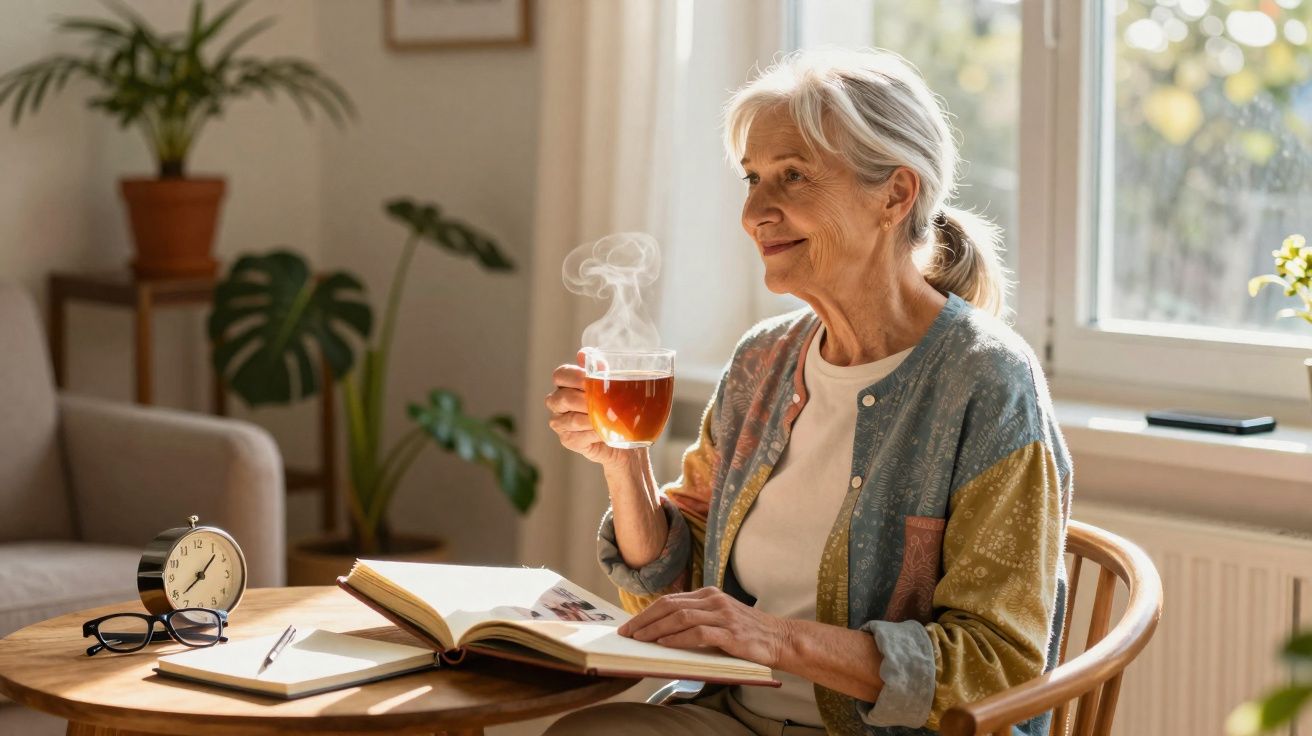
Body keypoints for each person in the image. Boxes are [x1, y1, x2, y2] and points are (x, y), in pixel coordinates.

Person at [543, 47, 1071, 736]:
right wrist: (624, 462)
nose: (756, 211)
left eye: (792, 177)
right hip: (735, 715)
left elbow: (1000, 665)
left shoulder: (987, 382)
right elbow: (672, 599)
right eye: (753, 178)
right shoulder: (762, 360)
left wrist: (776, 639)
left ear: (896, 194)